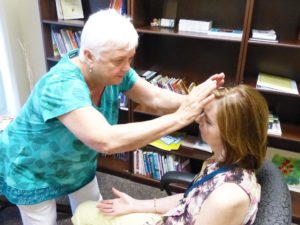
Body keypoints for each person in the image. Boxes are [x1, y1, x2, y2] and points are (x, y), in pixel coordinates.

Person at [0, 9, 224, 225]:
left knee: (96, 216)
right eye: (119, 60)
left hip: (76, 162)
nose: (126, 68)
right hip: (32, 167)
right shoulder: (62, 85)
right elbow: (105, 140)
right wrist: (180, 118)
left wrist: (194, 99)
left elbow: (155, 97)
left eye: (130, 58)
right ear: (89, 56)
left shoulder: (115, 71)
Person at [72, 84, 269, 225]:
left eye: (207, 121)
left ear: (232, 135)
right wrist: (136, 205)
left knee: (84, 214)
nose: (198, 119)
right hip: (172, 217)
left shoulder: (227, 198)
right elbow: (191, 200)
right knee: (88, 210)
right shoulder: (221, 161)